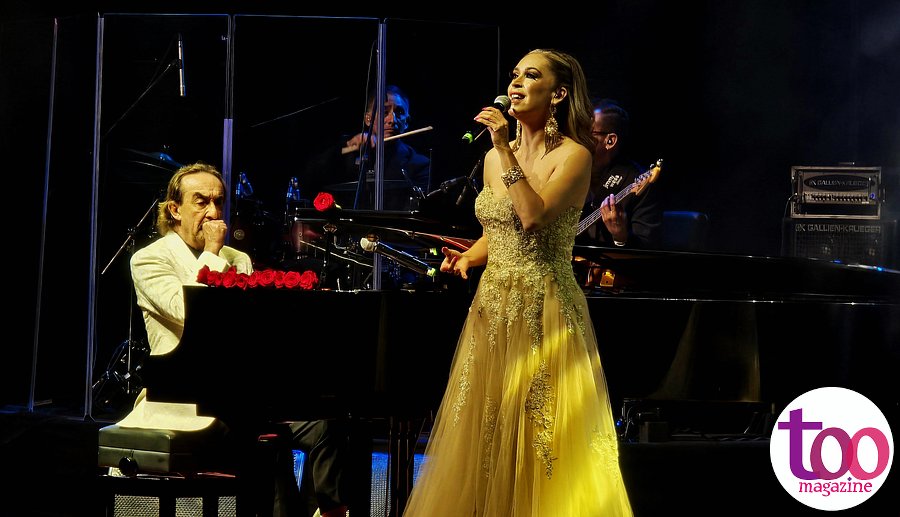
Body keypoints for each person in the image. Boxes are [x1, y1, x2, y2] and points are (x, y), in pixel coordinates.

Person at [401, 49, 633, 516]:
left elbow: (532, 217)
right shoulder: (492, 159)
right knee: (487, 429)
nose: (516, 83)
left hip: (544, 307)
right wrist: (469, 257)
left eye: (531, 75)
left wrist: (505, 147)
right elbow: (500, 229)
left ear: (558, 93)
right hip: (493, 307)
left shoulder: (574, 156)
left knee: (539, 434)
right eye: (514, 75)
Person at [119, 161, 349, 517]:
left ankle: (327, 511)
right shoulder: (149, 259)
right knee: (263, 443)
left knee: (328, 422)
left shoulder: (237, 258)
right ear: (175, 209)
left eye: (219, 202)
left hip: (242, 391)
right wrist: (211, 254)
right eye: (201, 202)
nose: (214, 213)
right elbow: (186, 311)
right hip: (185, 396)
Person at [303, 84, 431, 212]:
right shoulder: (346, 153)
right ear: (368, 119)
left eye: (400, 112)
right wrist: (344, 147)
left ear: (407, 121)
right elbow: (309, 178)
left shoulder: (419, 164)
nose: (392, 120)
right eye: (384, 112)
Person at [577, 98, 662, 249]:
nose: (578, 138)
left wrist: (621, 237)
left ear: (610, 141)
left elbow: (648, 249)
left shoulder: (639, 181)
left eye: (588, 132)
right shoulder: (572, 173)